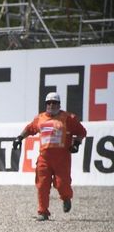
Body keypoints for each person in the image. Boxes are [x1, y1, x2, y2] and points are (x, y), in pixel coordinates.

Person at [13, 92, 87, 221]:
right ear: (46, 104)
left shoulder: (68, 118)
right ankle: (43, 212)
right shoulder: (40, 118)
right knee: (42, 185)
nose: (51, 105)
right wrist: (19, 138)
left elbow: (81, 132)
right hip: (44, 158)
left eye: (54, 102)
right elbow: (29, 129)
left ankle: (66, 197)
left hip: (62, 158)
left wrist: (76, 144)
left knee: (62, 184)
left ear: (59, 104)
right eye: (49, 103)